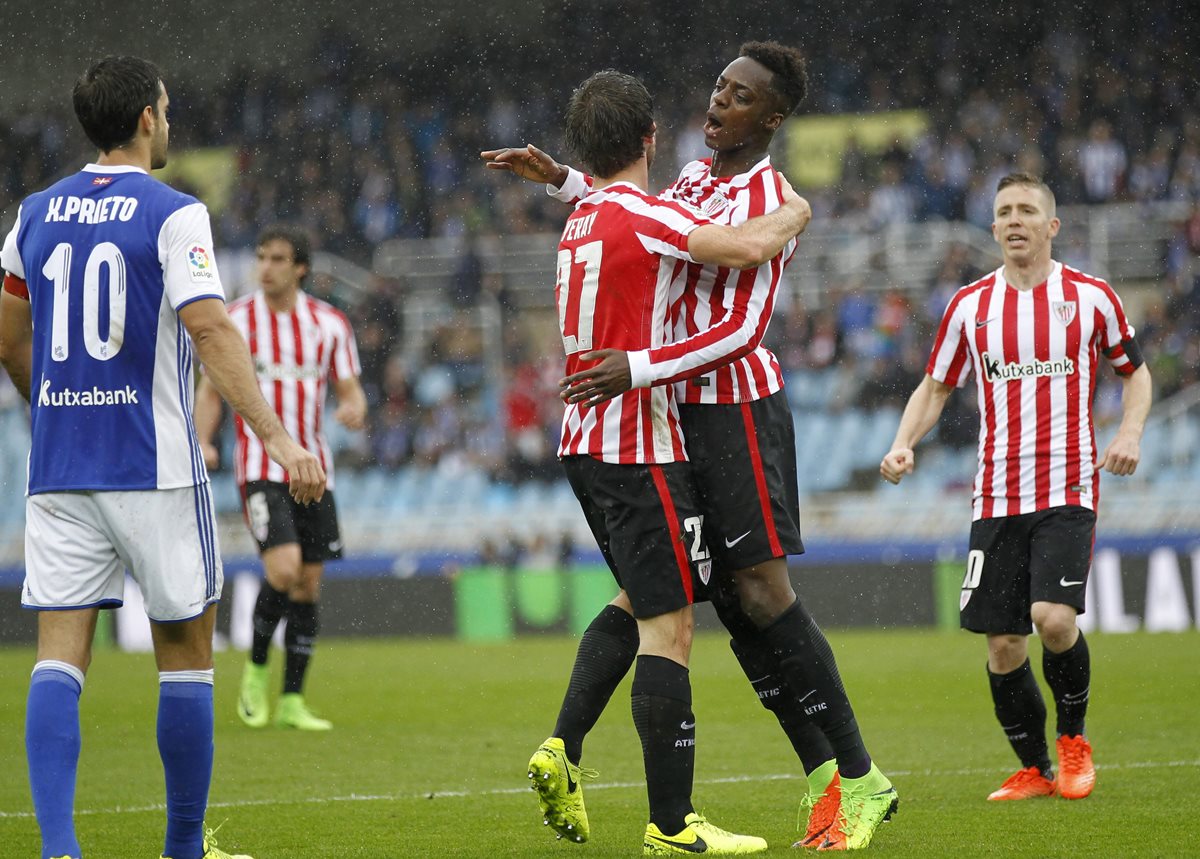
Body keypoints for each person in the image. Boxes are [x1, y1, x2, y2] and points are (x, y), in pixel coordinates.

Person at [483, 42, 897, 851]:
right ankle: (820, 782)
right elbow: (631, 218)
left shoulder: (771, 195)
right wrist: (565, 180)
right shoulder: (695, 183)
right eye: (716, 86)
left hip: (732, 409)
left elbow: (742, 327)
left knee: (761, 593)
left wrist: (636, 366)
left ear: (771, 118)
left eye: (739, 97)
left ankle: (859, 776)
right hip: (668, 410)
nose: (717, 103)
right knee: (698, 597)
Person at [0, 56, 324, 859]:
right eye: (168, 109)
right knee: (185, 655)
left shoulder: (33, 213)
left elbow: (9, 336)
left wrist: (51, 408)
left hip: (63, 465)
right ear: (148, 118)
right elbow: (211, 328)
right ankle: (182, 847)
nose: (169, 122)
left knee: (57, 655)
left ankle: (59, 849)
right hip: (155, 465)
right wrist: (278, 438)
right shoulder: (173, 212)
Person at [527, 69, 811, 855]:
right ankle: (672, 823)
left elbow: (605, 200)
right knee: (672, 624)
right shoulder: (650, 215)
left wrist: (560, 177)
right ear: (651, 139)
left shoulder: (582, 215)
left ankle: (562, 744)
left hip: (581, 442)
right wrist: (796, 209)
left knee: (641, 595)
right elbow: (750, 245)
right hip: (638, 444)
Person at [880, 172, 1152, 802]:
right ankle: (1034, 768)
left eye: (1028, 210)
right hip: (996, 495)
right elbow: (936, 386)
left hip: (1067, 488)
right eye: (1004, 211)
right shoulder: (970, 306)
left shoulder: (1091, 298)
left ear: (1052, 226)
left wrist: (1131, 431)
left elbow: (1134, 374)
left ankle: (1074, 743)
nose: (1014, 220)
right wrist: (903, 442)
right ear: (994, 226)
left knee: (1052, 619)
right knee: (1003, 643)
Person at [194, 224, 366, 731]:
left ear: (300, 269)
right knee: (285, 570)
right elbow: (210, 391)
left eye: (277, 259)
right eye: (261, 256)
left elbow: (351, 389)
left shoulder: (329, 324)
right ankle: (254, 672)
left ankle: (292, 699)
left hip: (316, 470)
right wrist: (205, 440)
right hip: (260, 468)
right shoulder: (237, 321)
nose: (265, 267)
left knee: (309, 585)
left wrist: (354, 408)